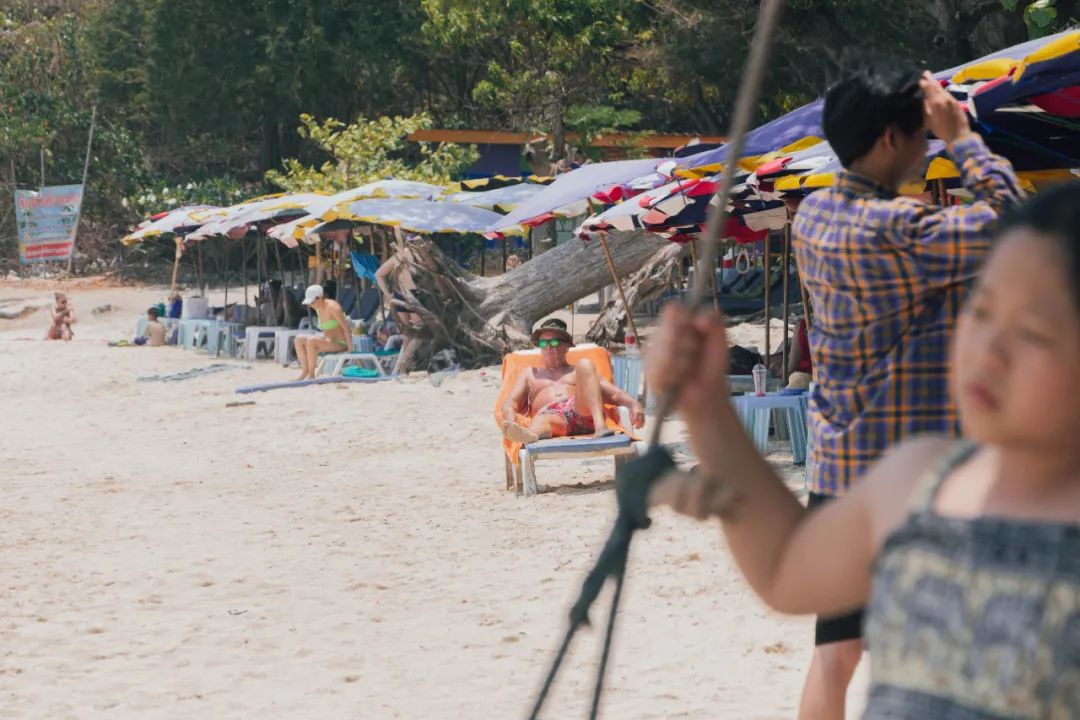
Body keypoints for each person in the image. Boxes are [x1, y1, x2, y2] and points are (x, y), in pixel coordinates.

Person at [645, 183, 1080, 718]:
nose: (987, 350)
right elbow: (785, 568)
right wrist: (705, 408)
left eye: (1032, 333)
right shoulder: (918, 477)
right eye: (981, 310)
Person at [782, 65, 1023, 718]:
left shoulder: (812, 220)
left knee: (836, 653)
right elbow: (1025, 228)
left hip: (836, 469)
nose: (928, 148)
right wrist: (965, 139)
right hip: (914, 477)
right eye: (923, 137)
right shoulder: (904, 233)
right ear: (892, 138)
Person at [501, 318, 645, 443]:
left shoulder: (580, 372)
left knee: (585, 363)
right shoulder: (530, 374)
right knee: (541, 421)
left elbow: (614, 394)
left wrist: (634, 404)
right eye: (543, 343)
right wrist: (510, 417)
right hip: (553, 417)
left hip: (581, 411)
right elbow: (511, 402)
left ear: (567, 346)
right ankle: (530, 435)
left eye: (554, 342)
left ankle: (601, 427)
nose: (549, 347)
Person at [293, 285, 351, 381]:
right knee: (298, 339)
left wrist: (350, 349)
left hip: (340, 343)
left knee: (312, 341)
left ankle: (311, 375)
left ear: (319, 298)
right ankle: (305, 371)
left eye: (311, 302)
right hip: (328, 340)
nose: (310, 305)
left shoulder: (333, 308)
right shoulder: (318, 308)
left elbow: (346, 328)